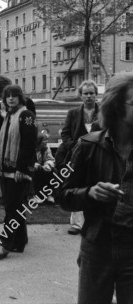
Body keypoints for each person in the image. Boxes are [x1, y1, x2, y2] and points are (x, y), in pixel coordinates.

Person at [57, 73, 133, 304]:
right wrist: (89, 193)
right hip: (98, 246)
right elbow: (62, 194)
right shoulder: (88, 145)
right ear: (117, 106)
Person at [0, 85, 37, 259]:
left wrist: (21, 169)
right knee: (15, 206)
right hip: (6, 168)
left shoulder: (26, 115)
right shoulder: (9, 114)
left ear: (20, 97)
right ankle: (20, 241)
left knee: (12, 207)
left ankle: (6, 244)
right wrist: (0, 116)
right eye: (7, 96)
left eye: (14, 96)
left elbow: (29, 144)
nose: (10, 98)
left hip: (18, 169)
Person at [60, 80, 100, 235]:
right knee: (76, 186)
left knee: (95, 185)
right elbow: (65, 133)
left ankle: (93, 221)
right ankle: (77, 224)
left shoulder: (103, 112)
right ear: (81, 95)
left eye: (92, 93)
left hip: (97, 155)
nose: (89, 96)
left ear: (96, 95)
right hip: (77, 156)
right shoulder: (73, 113)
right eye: (86, 93)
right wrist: (73, 146)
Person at [32, 133, 56, 205]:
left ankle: (50, 195)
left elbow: (51, 159)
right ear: (38, 141)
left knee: (54, 171)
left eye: (47, 140)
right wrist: (38, 166)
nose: (46, 142)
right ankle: (36, 196)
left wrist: (48, 165)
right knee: (37, 173)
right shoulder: (32, 149)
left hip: (43, 167)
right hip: (34, 168)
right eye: (44, 140)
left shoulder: (46, 148)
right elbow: (28, 161)